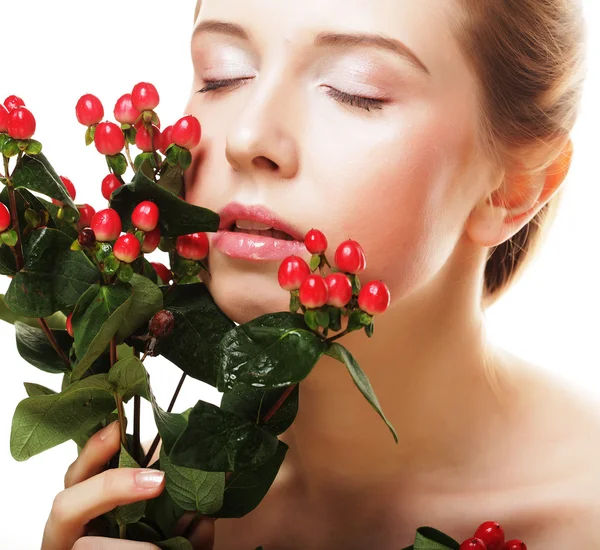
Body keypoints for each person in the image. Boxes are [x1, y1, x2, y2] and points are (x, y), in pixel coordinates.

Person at [41, 0, 599, 548]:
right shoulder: (160, 500)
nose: (248, 137)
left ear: (516, 186)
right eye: (222, 76)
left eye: (357, 91)